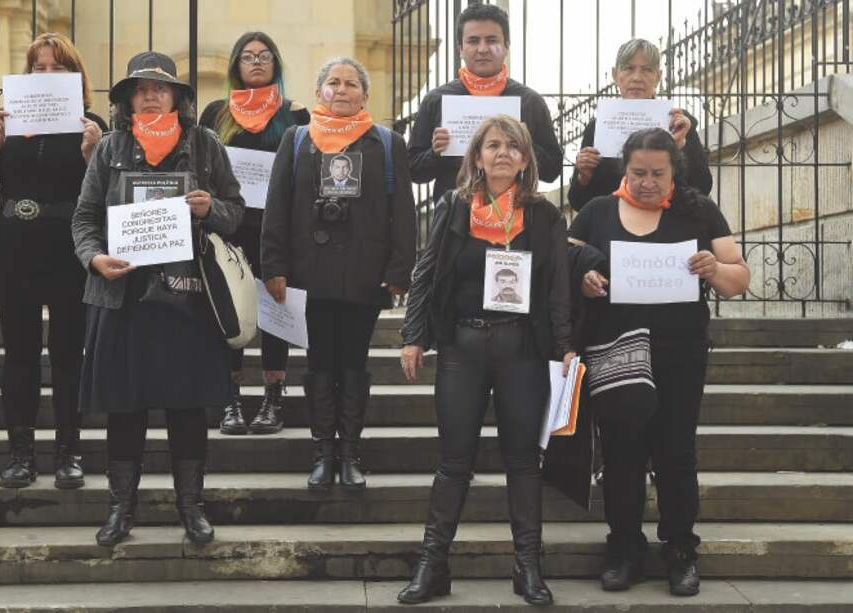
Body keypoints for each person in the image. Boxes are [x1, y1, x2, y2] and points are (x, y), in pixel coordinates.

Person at [398, 115, 575, 606]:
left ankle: (528, 567)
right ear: (476, 156)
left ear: (525, 159)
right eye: (493, 145)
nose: (502, 153)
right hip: (462, 348)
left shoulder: (544, 216)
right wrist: (413, 336)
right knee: (453, 462)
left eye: (513, 146)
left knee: (524, 462)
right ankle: (432, 565)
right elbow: (427, 271)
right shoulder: (455, 206)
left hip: (522, 351)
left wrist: (564, 346)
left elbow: (558, 286)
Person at [568, 128, 749, 596]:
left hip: (680, 351)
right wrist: (582, 277)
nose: (647, 182)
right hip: (614, 349)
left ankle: (680, 549)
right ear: (624, 170)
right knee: (621, 452)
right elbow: (562, 264)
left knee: (676, 451)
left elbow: (739, 278)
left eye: (657, 173)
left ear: (674, 173)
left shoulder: (698, 210)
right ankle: (624, 548)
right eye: (638, 172)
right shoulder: (597, 211)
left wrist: (715, 268)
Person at [73, 51, 243, 546]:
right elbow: (84, 218)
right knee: (124, 409)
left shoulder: (205, 144)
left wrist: (211, 209)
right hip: (122, 297)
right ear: (127, 100)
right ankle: (120, 510)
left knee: (187, 409)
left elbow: (236, 211)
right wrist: (94, 258)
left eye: (160, 88)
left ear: (176, 98)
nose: (150, 96)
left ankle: (191, 508)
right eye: (141, 89)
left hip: (188, 300)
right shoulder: (110, 148)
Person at [261, 56, 416, 490]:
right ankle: (322, 452)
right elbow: (276, 207)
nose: (342, 90)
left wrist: (400, 268)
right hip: (309, 274)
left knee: (353, 362)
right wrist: (273, 266)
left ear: (365, 95)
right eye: (334, 82)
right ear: (319, 93)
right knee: (318, 362)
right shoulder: (296, 139)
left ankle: (349, 452)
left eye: (351, 84)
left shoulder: (386, 143)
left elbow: (403, 212)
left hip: (364, 275)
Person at [0, 33, 105, 487]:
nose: (46, 74)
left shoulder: (91, 125)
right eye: (38, 67)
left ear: (75, 75)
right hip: (15, 253)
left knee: (68, 355)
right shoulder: (5, 121)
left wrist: (92, 155)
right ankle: (21, 454)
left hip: (69, 253)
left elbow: (105, 197)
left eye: (57, 67)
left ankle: (68, 452)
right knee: (19, 355)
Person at [200, 32, 309, 436]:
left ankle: (272, 400)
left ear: (275, 64)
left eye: (265, 56)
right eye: (248, 56)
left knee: (275, 314)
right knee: (229, 309)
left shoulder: (295, 115)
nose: (257, 62)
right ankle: (230, 400)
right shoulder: (216, 113)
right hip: (228, 227)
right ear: (236, 66)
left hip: (277, 230)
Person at [408, 3, 562, 205]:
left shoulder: (529, 102)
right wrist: (435, 153)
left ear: (506, 46)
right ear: (460, 48)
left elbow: (553, 170)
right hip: (454, 217)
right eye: (473, 41)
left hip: (515, 216)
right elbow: (413, 170)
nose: (482, 49)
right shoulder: (437, 100)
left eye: (492, 40)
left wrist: (526, 144)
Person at [569, 38, 713, 212]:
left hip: (669, 221)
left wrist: (680, 149)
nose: (637, 77)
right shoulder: (597, 128)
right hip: (613, 224)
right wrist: (583, 177)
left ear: (658, 77)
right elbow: (578, 203)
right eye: (629, 68)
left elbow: (702, 187)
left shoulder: (678, 123)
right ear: (615, 75)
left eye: (647, 70)